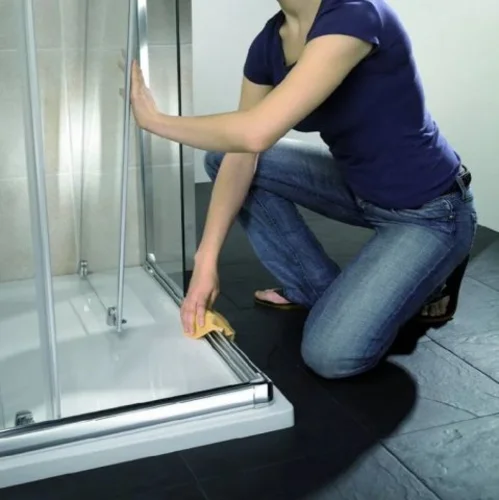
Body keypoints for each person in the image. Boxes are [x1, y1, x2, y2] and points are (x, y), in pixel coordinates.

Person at [128, 0, 477, 379]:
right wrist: (205, 261)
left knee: (331, 356)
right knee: (224, 158)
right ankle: (314, 288)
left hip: (430, 209)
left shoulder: (356, 14)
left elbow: (255, 131)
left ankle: (435, 272)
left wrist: (155, 121)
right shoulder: (268, 44)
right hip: (359, 187)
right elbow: (242, 152)